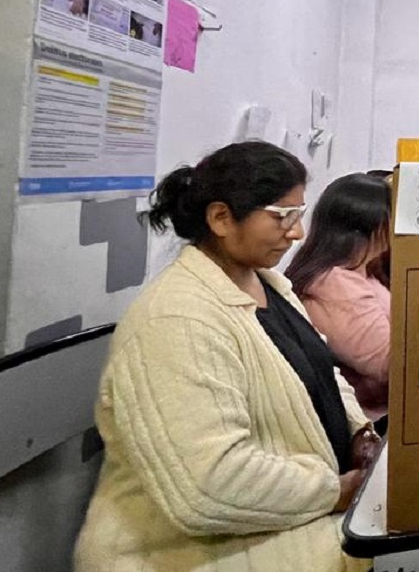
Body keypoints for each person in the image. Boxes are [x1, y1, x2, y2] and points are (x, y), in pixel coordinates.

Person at [75, 141, 378, 572]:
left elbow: (322, 372)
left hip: (290, 516)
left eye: (299, 213)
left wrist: (359, 435)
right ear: (220, 218)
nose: (298, 232)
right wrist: (338, 491)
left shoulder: (270, 286)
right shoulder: (177, 319)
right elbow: (210, 484)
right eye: (282, 217)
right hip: (184, 553)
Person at [286, 173, 393, 434]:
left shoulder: (364, 270)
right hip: (362, 425)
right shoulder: (334, 283)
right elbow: (389, 363)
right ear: (372, 224)